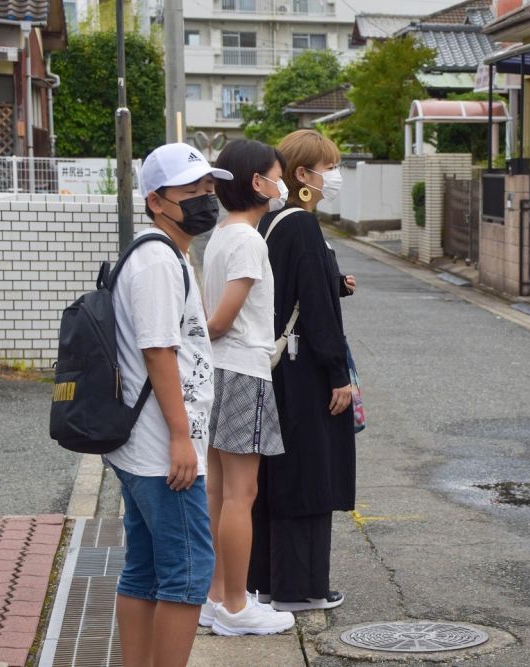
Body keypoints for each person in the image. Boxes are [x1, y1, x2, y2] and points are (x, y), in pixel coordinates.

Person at [106, 143, 231, 665]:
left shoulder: (160, 252)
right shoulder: (158, 259)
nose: (207, 198)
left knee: (147, 569)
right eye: (193, 190)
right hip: (162, 451)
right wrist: (182, 440)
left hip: (142, 448)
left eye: (209, 188)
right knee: (187, 573)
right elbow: (158, 353)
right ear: (157, 201)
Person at [248, 129, 355, 611]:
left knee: (277, 477)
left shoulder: (271, 223)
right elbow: (314, 307)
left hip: (275, 367)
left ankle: (268, 582)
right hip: (306, 368)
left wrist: (336, 283)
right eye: (327, 168)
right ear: (301, 175)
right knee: (311, 476)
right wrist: (339, 375)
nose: (332, 176)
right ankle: (303, 589)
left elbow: (289, 289)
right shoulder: (304, 226)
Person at [199, 139, 296, 636]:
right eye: (277, 176)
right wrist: (198, 336)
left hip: (220, 372)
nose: (282, 185)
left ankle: (217, 597)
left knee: (219, 491)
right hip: (241, 371)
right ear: (257, 183)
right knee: (242, 493)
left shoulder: (220, 234)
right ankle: (236, 606)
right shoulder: (248, 241)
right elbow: (219, 320)